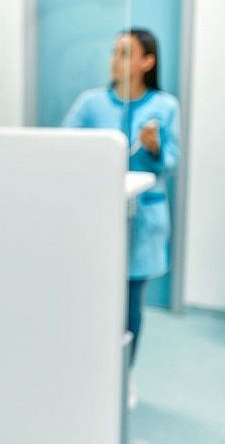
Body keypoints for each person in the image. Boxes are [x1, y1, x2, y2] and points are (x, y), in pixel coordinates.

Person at [62, 28, 180, 408]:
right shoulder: (91, 103)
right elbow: (64, 148)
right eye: (115, 52)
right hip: (95, 218)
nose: (116, 60)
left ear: (148, 62)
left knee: (130, 304)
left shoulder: (164, 106)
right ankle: (91, 374)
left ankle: (123, 374)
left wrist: (155, 148)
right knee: (90, 298)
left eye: (126, 53)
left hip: (142, 221)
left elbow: (172, 162)